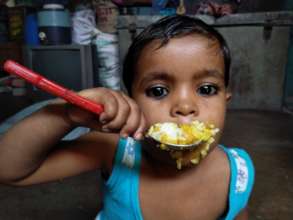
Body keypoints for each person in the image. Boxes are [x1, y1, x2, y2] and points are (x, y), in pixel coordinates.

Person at [0, 15, 254, 219]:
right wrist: (65, 115)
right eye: (158, 91)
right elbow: (9, 170)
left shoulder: (239, 171)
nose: (185, 106)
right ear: (131, 102)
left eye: (207, 89)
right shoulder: (115, 151)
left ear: (225, 99)